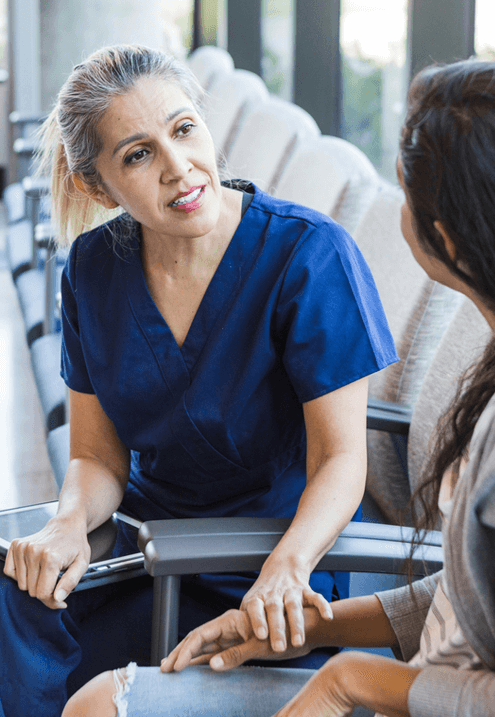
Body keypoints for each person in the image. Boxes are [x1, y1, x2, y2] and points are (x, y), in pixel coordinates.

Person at [63, 59, 495, 717]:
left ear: (447, 238)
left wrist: (349, 680)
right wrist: (322, 629)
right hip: (423, 673)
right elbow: (478, 603)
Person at [0, 45, 399, 717]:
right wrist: (69, 524)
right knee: (18, 590)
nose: (179, 167)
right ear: (99, 186)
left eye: (184, 130)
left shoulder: (307, 255)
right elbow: (98, 457)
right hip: (146, 551)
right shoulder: (93, 269)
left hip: (273, 565)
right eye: (138, 155)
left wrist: (288, 566)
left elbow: (339, 460)